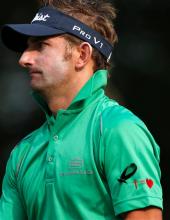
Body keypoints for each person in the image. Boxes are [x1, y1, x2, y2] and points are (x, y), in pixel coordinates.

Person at [0, 0, 163, 219]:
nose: (24, 59)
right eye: (27, 48)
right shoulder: (22, 153)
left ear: (82, 55)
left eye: (39, 45)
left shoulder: (120, 130)